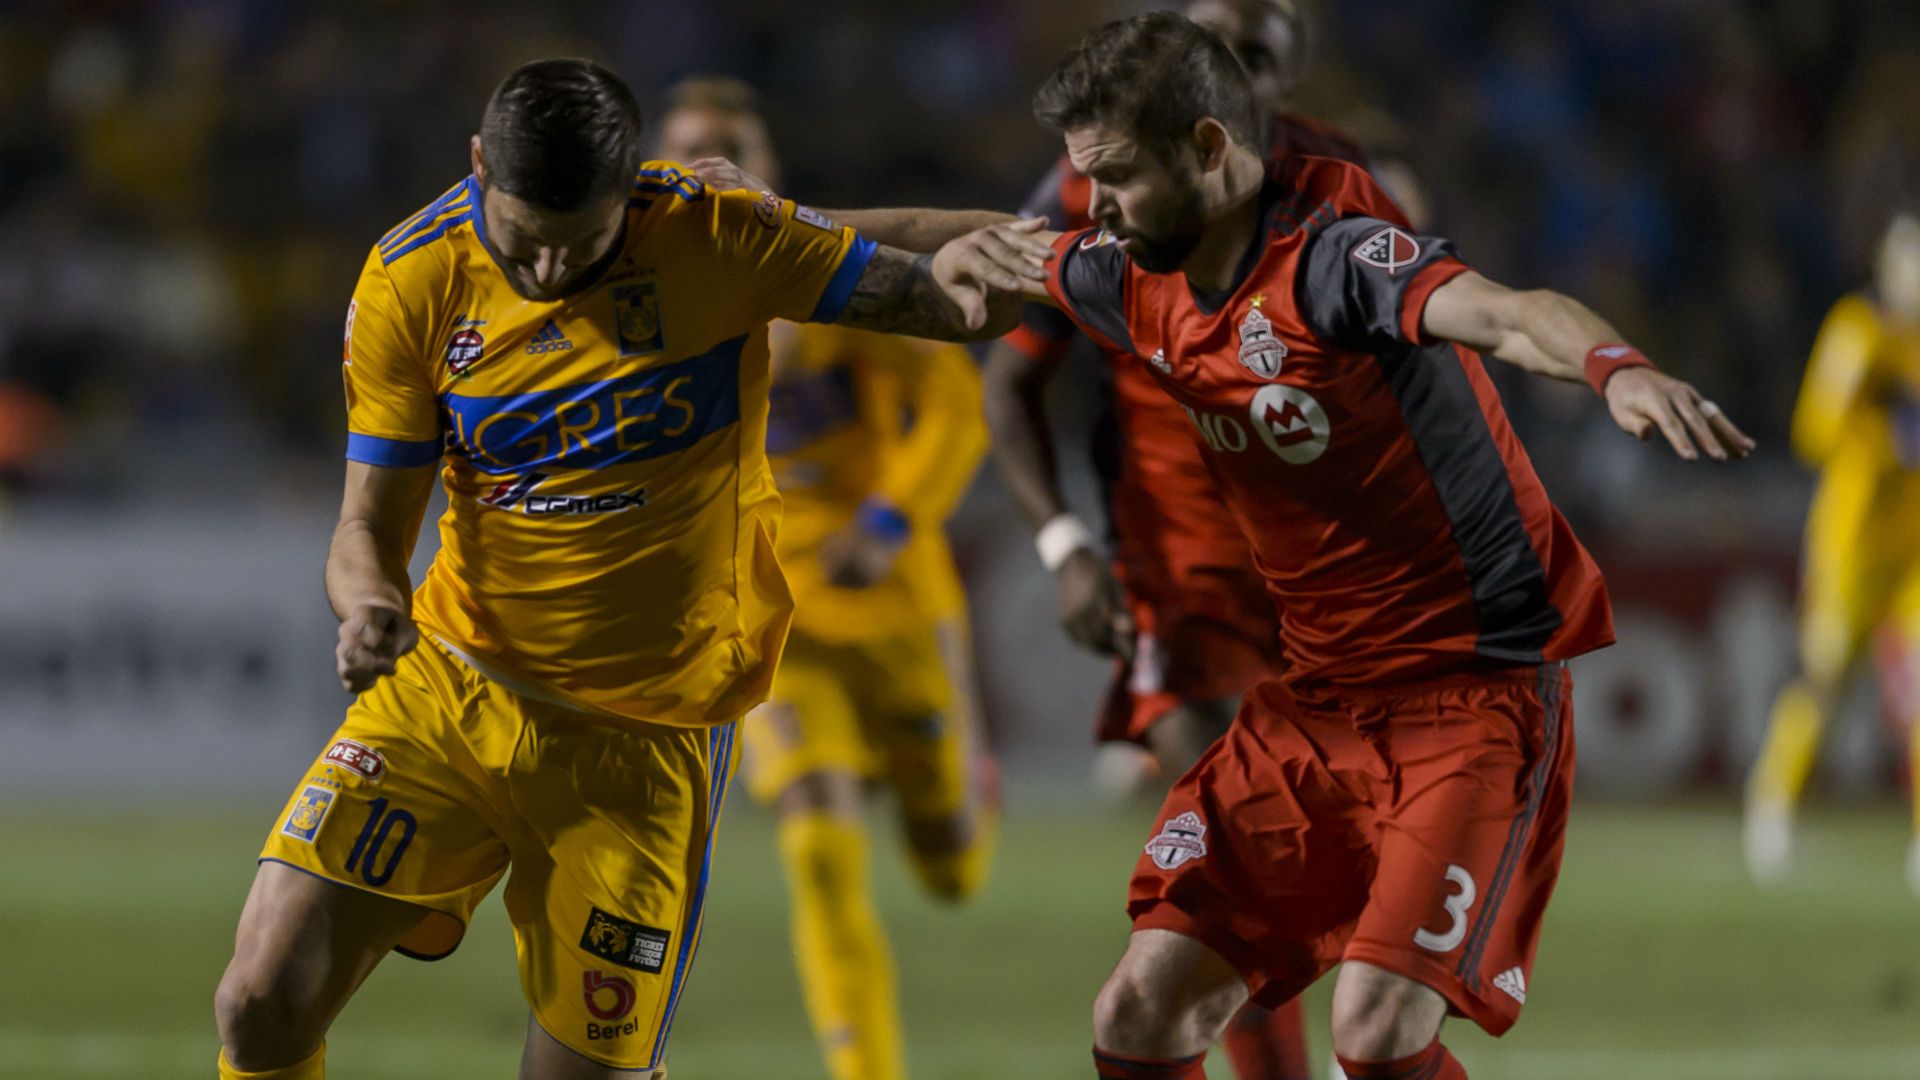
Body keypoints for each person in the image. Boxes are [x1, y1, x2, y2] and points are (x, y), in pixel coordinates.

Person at [931, 13, 1753, 1079]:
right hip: (1314, 701)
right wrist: (774, 228)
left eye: (1119, 178)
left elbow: (1504, 315)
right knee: (1138, 1010)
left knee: (1374, 1031)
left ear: (1210, 149)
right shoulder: (1131, 273)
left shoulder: (1338, 261)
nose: (1098, 207)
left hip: (1471, 700)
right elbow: (977, 241)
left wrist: (1614, 368)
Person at [211, 58, 1031, 1080]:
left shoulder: (716, 237)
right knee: (259, 999)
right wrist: (369, 602)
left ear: (631, 190)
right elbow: (363, 531)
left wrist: (1040, 257)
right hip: (452, 692)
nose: (550, 272)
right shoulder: (409, 278)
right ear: (477, 166)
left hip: (646, 741)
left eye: (579, 244)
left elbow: (951, 301)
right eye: (525, 241)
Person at [981, 3, 1351, 1076]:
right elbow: (1010, 376)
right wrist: (1062, 542)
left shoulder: (1349, 183)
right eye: (1214, 39)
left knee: (1308, 870)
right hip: (1180, 576)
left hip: (1329, 582)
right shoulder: (1095, 191)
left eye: (1259, 39)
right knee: (1241, 859)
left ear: (1296, 55)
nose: (1237, 58)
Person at [655, 76, 999, 1080]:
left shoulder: (835, 282)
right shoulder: (647, 303)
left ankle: (959, 785)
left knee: (950, 868)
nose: (704, 171)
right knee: (815, 843)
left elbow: (953, 411)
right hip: (772, 621)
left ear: (769, 176)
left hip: (889, 599)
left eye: (730, 152)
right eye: (682, 153)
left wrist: (890, 521)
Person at [1745, 212, 1920, 891]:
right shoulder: (1860, 330)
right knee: (1824, 679)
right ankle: (1774, 808)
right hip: (1849, 545)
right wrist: (1887, 428)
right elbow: (1815, 430)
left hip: (1915, 548)